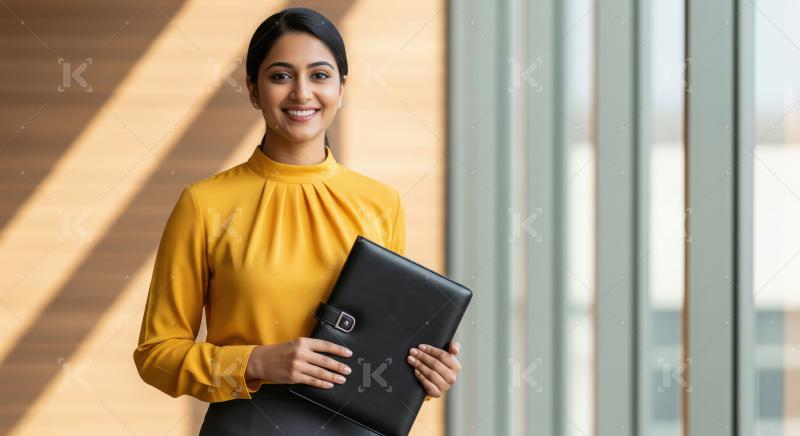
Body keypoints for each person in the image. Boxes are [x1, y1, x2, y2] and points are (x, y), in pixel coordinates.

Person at [132, 7, 462, 435]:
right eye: (281, 76)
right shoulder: (204, 204)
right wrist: (257, 361)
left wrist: (426, 371)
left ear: (342, 88)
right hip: (248, 422)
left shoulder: (382, 203)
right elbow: (156, 355)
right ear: (253, 89)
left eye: (320, 75)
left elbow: (381, 344)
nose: (302, 93)